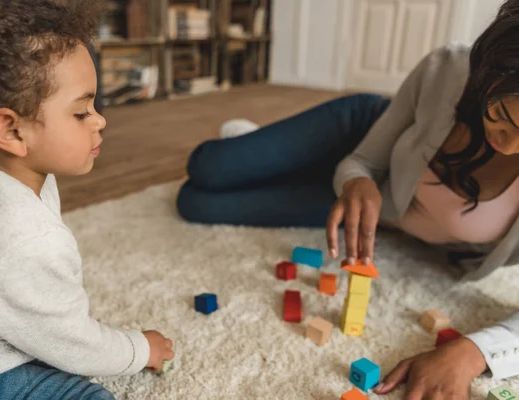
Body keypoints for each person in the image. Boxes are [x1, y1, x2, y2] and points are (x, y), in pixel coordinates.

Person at [177, 0, 519, 397]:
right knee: (208, 169)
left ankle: (279, 156)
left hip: (377, 214)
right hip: (360, 135)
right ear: (490, 74)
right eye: (505, 117)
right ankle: (256, 142)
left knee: (196, 203)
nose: (510, 147)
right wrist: (357, 180)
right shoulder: (447, 69)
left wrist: (473, 352)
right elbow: (361, 162)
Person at [0, 1, 174, 399]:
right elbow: (72, 342)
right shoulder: (24, 237)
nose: (100, 120)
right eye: (81, 112)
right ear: (12, 131)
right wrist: (140, 349)